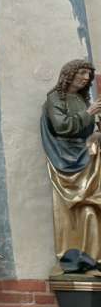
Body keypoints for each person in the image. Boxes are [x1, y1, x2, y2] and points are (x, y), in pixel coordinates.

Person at [42, 59, 101, 260]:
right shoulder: (55, 98)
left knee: (92, 206)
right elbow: (61, 126)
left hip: (87, 153)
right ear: (69, 74)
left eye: (89, 75)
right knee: (84, 207)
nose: (86, 78)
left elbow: (87, 128)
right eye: (82, 73)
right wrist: (90, 112)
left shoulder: (81, 99)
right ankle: (77, 254)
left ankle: (93, 254)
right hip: (67, 157)